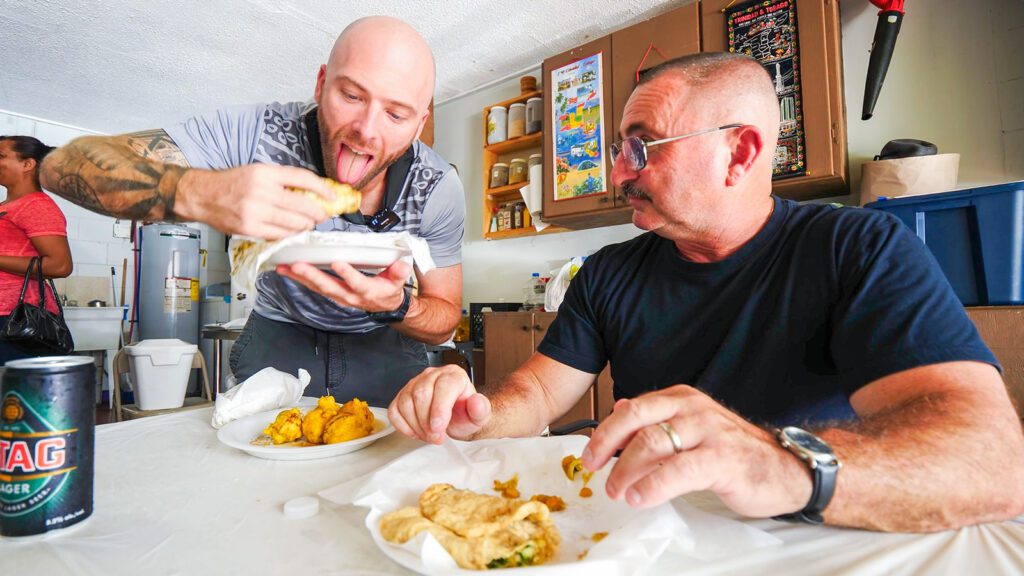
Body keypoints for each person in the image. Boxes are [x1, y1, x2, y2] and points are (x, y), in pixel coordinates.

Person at [388, 53, 1024, 532]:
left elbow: (994, 465)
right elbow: (534, 394)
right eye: (618, 150)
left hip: (826, 541)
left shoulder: (859, 249)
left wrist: (779, 463)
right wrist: (474, 415)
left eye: (641, 146)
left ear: (739, 153)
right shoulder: (608, 273)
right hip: (652, 536)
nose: (616, 174)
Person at [40, 16, 464, 405]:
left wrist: (395, 306)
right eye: (351, 95)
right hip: (277, 332)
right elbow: (61, 167)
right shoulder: (256, 133)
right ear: (321, 83)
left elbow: (444, 319)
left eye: (396, 113)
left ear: (419, 122)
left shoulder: (437, 186)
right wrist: (197, 192)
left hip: (385, 341)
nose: (366, 131)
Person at [0, 136, 73, 363]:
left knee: (17, 397)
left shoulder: (36, 205)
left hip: (16, 318)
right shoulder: (8, 207)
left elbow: (60, 265)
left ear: (27, 164)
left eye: (1, 156)